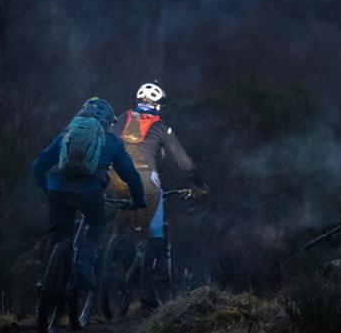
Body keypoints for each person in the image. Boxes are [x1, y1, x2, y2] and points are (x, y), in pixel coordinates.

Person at [32, 97, 147, 307]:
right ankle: (84, 263)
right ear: (107, 122)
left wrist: (45, 189)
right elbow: (131, 176)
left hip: (58, 189)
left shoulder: (66, 135)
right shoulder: (112, 142)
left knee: (57, 236)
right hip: (90, 192)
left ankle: (44, 280)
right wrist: (138, 201)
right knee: (96, 221)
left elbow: (38, 165)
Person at [109, 82, 209, 308]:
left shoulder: (121, 118)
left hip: (116, 177)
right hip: (146, 180)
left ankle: (112, 256)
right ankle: (147, 294)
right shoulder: (162, 127)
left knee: (121, 222)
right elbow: (184, 163)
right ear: (158, 105)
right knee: (155, 234)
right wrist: (200, 185)